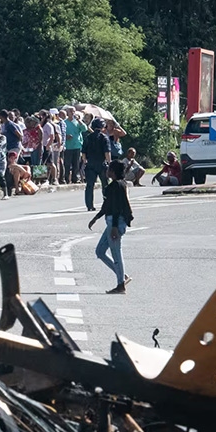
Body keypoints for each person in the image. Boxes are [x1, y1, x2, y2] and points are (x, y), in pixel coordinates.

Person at [89, 160, 134, 294]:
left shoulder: (117, 186)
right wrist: (96, 217)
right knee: (100, 251)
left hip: (115, 222)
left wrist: (114, 227)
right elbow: (107, 206)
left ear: (113, 172)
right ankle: (122, 275)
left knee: (116, 253)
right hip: (111, 221)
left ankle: (121, 285)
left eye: (109, 169)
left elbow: (116, 209)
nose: (107, 171)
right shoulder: (115, 185)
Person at [80, 118, 111, 211]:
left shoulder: (88, 137)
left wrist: (85, 161)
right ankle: (106, 204)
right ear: (102, 127)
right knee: (105, 185)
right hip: (101, 164)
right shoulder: (104, 137)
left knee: (90, 186)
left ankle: (89, 205)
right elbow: (107, 152)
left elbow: (84, 153)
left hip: (90, 164)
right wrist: (110, 163)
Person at [62, 107, 86, 184]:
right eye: (70, 111)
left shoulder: (77, 122)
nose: (72, 113)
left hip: (77, 145)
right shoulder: (64, 122)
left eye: (73, 111)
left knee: (76, 164)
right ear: (67, 112)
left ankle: (75, 178)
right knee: (67, 164)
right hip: (68, 146)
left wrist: (79, 120)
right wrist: (66, 136)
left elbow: (85, 129)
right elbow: (61, 133)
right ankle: (66, 178)